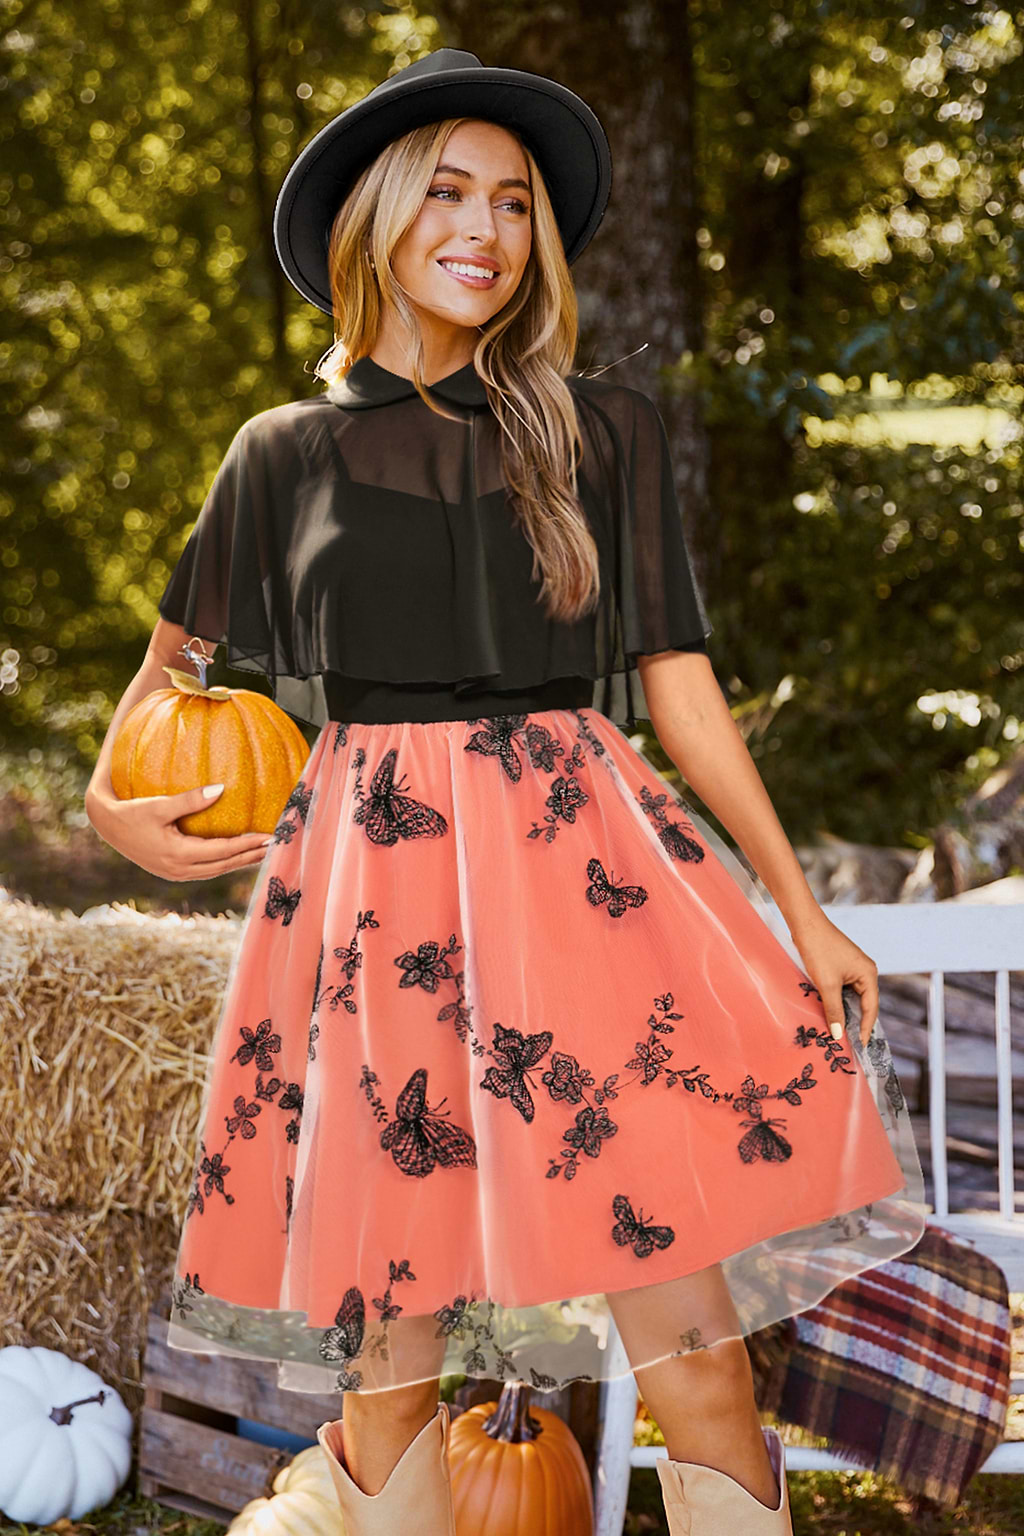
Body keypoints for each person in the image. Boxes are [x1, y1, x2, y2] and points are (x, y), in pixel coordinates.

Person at [85, 48, 926, 1536]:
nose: (487, 228)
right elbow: (166, 687)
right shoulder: (276, 459)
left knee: (700, 1360)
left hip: (584, 894)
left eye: (518, 203)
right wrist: (109, 810)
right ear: (383, 222)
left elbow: (680, 693)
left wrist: (801, 910)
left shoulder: (601, 434)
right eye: (452, 194)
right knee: (389, 1370)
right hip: (374, 902)